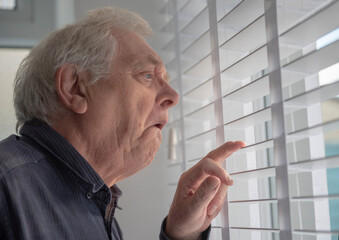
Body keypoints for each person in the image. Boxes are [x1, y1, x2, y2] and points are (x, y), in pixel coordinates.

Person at [0, 6, 245, 240]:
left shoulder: (96, 200)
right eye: (147, 75)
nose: (173, 95)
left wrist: (181, 234)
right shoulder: (6, 186)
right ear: (75, 88)